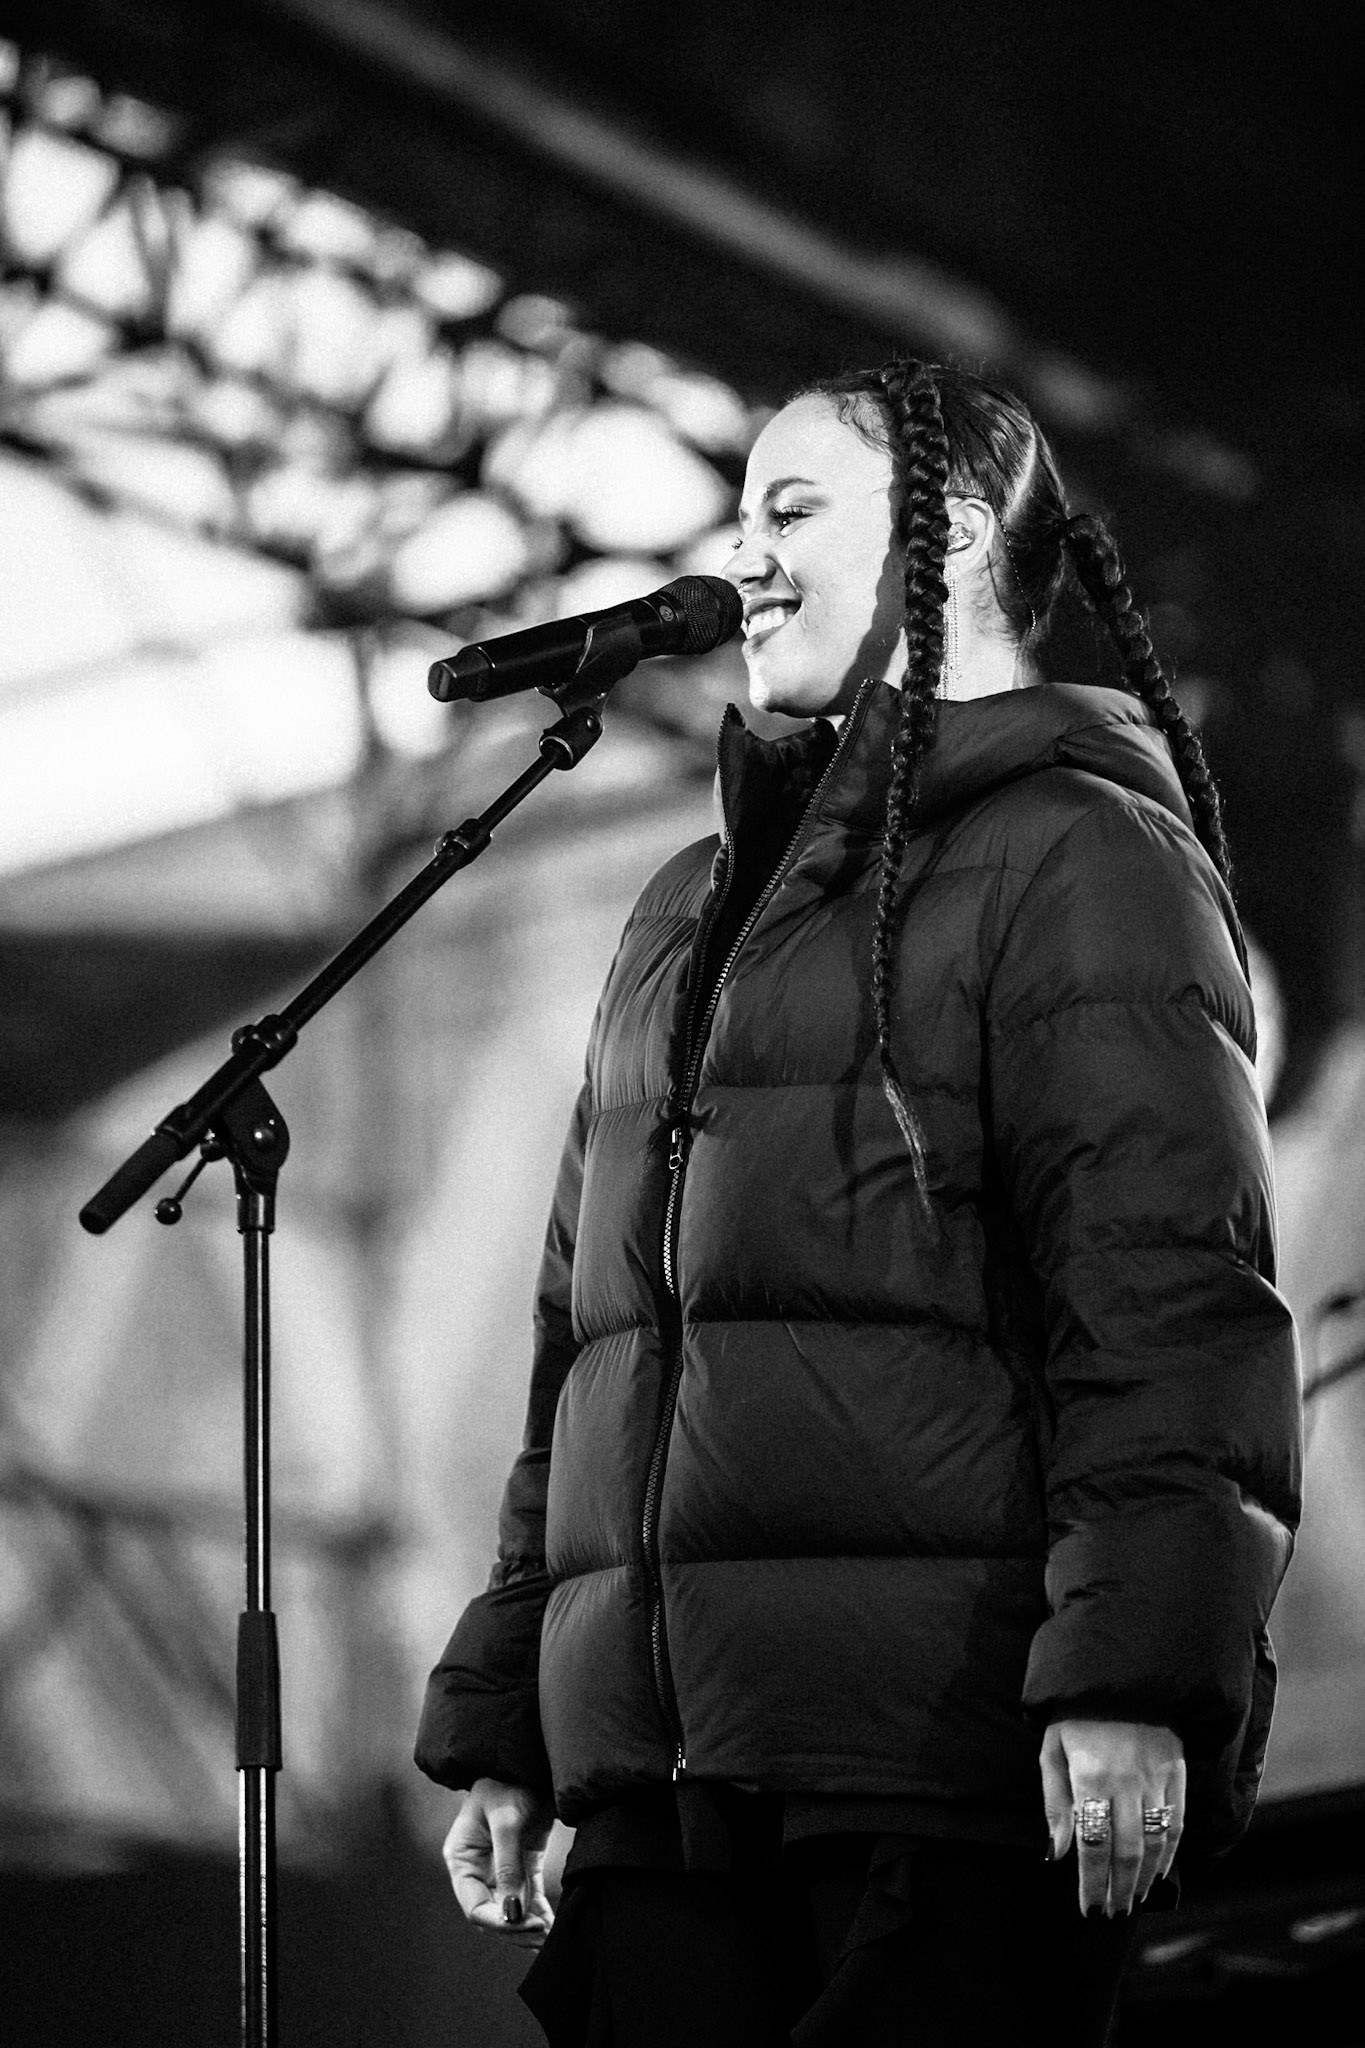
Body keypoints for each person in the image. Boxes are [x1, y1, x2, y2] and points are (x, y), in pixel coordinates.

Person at [415, 358, 1301, 2046]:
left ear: (951, 533)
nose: (738, 554)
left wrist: (1129, 1678)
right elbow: (586, 1349)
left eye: (789, 508)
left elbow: (1165, 1293)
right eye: (737, 512)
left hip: (932, 1773)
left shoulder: (1075, 853)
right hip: (668, 1798)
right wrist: (515, 1714)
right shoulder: (689, 905)